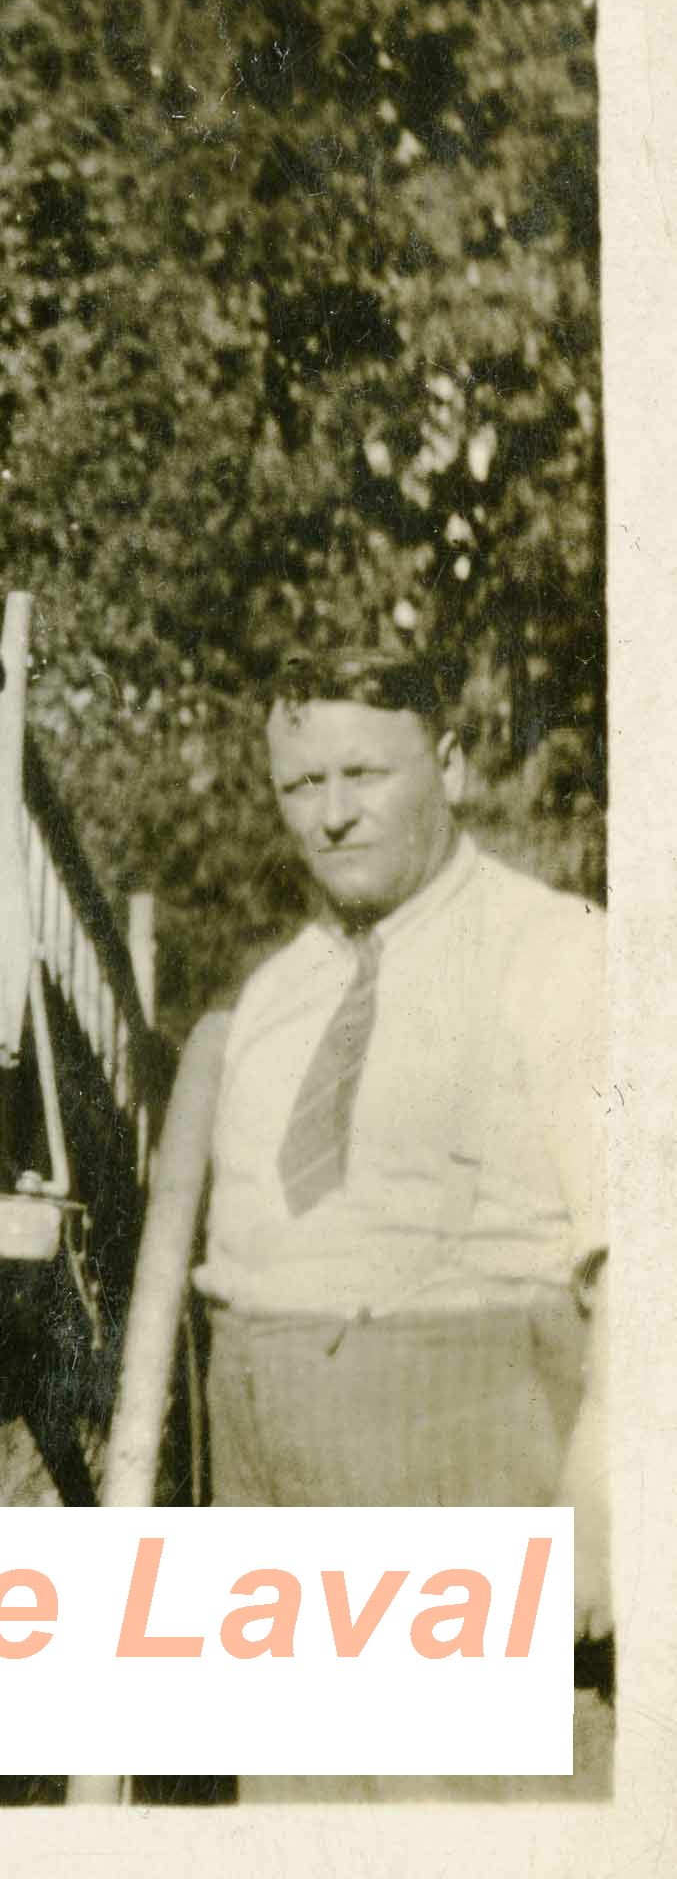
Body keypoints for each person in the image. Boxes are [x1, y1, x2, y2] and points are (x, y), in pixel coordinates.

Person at [192, 645, 610, 1800]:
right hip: (269, 1462)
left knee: (470, 1821)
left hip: (461, 1437)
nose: (329, 817)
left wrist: (607, 1488)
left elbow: (639, 1246)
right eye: (299, 786)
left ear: (451, 765)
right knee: (297, 1819)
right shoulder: (276, 991)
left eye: (362, 775)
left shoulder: (556, 947)